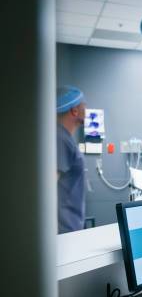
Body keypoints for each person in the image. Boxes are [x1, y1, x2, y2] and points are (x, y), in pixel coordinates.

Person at [56, 85, 86, 234]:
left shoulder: (64, 138)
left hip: (68, 227)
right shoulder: (60, 138)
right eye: (84, 105)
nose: (86, 109)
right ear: (74, 110)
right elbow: (48, 185)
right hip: (63, 230)